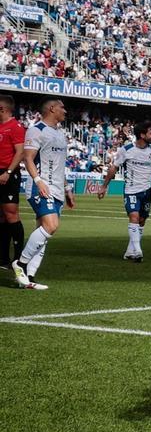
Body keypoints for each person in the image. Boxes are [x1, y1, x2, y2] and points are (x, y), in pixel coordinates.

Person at [12, 98, 73, 290]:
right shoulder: (36, 130)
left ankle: (29, 277)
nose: (65, 111)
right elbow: (27, 158)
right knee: (51, 225)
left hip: (57, 189)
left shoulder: (60, 134)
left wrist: (67, 189)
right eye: (62, 107)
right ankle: (20, 264)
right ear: (52, 109)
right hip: (40, 186)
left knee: (44, 233)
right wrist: (39, 181)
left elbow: (60, 165)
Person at [97, 121, 151, 262]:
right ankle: (138, 250)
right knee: (134, 217)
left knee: (141, 220)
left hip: (146, 191)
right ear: (142, 135)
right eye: (150, 133)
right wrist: (104, 186)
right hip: (131, 191)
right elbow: (113, 168)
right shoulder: (126, 150)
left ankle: (130, 251)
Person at [0, 95, 27, 265]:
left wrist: (8, 172)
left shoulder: (15, 127)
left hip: (8, 173)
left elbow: (20, 152)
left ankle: (18, 257)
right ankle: (2, 257)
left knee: (11, 214)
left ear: (2, 109)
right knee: (1, 216)